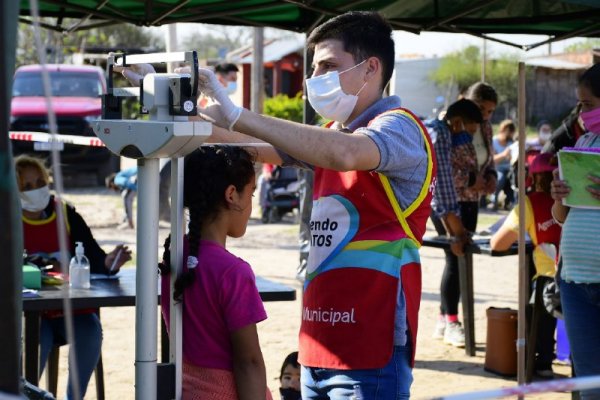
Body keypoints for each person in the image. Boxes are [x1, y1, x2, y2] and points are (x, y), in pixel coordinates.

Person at [120, 11, 436, 397]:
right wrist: (167, 101)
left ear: (371, 68)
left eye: (329, 66)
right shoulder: (328, 136)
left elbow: (345, 154)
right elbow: (238, 141)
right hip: (320, 339)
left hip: (370, 345)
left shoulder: (398, 127)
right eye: (315, 67)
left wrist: (239, 114)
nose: (316, 77)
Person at [158, 146, 272, 400]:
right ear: (232, 194)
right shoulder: (233, 272)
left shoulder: (173, 257)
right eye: (251, 193)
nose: (252, 204)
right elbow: (249, 362)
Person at [15, 155, 131, 399]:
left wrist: (109, 262)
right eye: (27, 186)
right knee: (37, 341)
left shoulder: (66, 214)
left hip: (73, 311)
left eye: (40, 182)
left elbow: (94, 257)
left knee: (91, 331)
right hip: (34, 316)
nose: (37, 189)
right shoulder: (9, 221)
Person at [550, 63, 600, 400]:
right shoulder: (583, 141)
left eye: (588, 105)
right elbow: (561, 217)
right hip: (574, 279)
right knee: (588, 382)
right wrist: (559, 198)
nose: (580, 113)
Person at [490, 152, 561, 378]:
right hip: (582, 274)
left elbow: (498, 244)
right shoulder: (577, 199)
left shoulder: (529, 203)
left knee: (535, 300)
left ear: (533, 178)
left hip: (549, 282)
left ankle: (543, 361)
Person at [427, 98, 483, 347]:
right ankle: (451, 321)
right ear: (458, 123)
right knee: (455, 255)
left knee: (454, 257)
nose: (469, 138)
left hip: (444, 207)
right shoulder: (441, 134)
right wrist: (455, 229)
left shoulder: (441, 131)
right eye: (469, 130)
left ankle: (445, 319)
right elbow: (443, 184)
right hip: (442, 208)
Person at [464, 82, 498, 210]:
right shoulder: (452, 125)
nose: (485, 115)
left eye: (490, 111)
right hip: (448, 200)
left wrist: (492, 175)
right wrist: (471, 179)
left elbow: (489, 157)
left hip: (472, 198)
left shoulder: (486, 127)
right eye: (481, 108)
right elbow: (443, 166)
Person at [491, 119, 516, 211]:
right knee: (500, 179)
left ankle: (511, 202)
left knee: (513, 179)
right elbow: (492, 160)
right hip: (497, 168)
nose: (509, 135)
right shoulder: (494, 141)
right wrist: (504, 154)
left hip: (509, 169)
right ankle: (494, 200)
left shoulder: (511, 143)